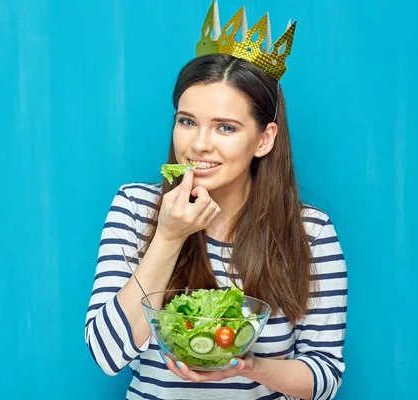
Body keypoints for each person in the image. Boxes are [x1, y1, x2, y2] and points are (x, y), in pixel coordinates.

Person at [84, 2, 347, 399]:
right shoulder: (136, 208)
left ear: (264, 139)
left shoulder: (310, 232)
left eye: (225, 127)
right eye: (187, 121)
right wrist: (169, 238)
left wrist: (248, 366)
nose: (199, 144)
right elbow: (106, 354)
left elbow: (324, 377)